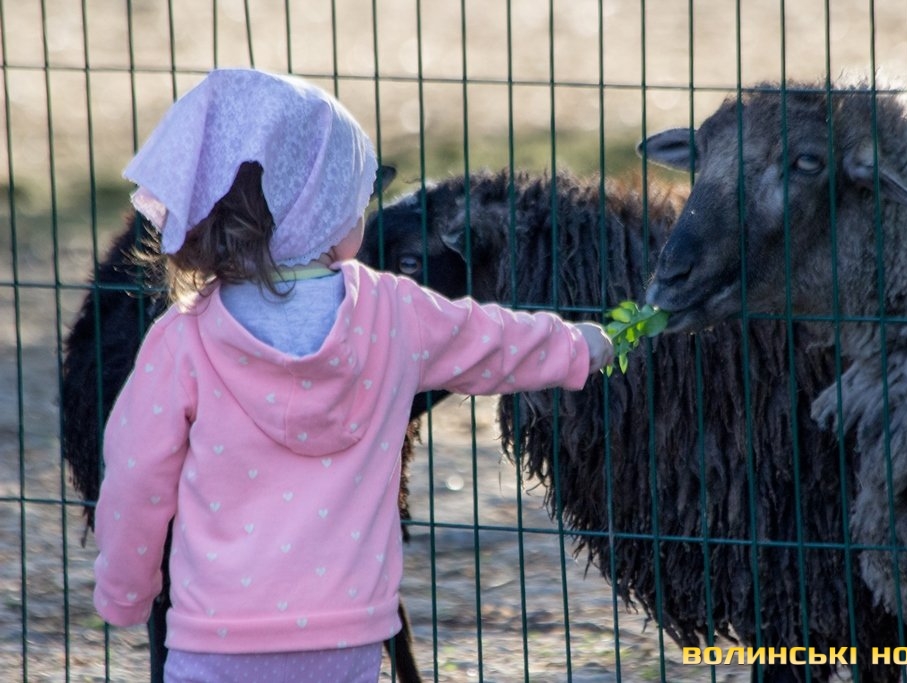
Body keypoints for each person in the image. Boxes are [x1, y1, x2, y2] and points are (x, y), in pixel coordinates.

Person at [92, 67, 614, 683]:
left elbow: (136, 476)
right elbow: (496, 341)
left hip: (216, 642)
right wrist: (578, 346)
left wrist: (125, 592)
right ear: (328, 216)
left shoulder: (182, 339)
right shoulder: (396, 313)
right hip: (348, 640)